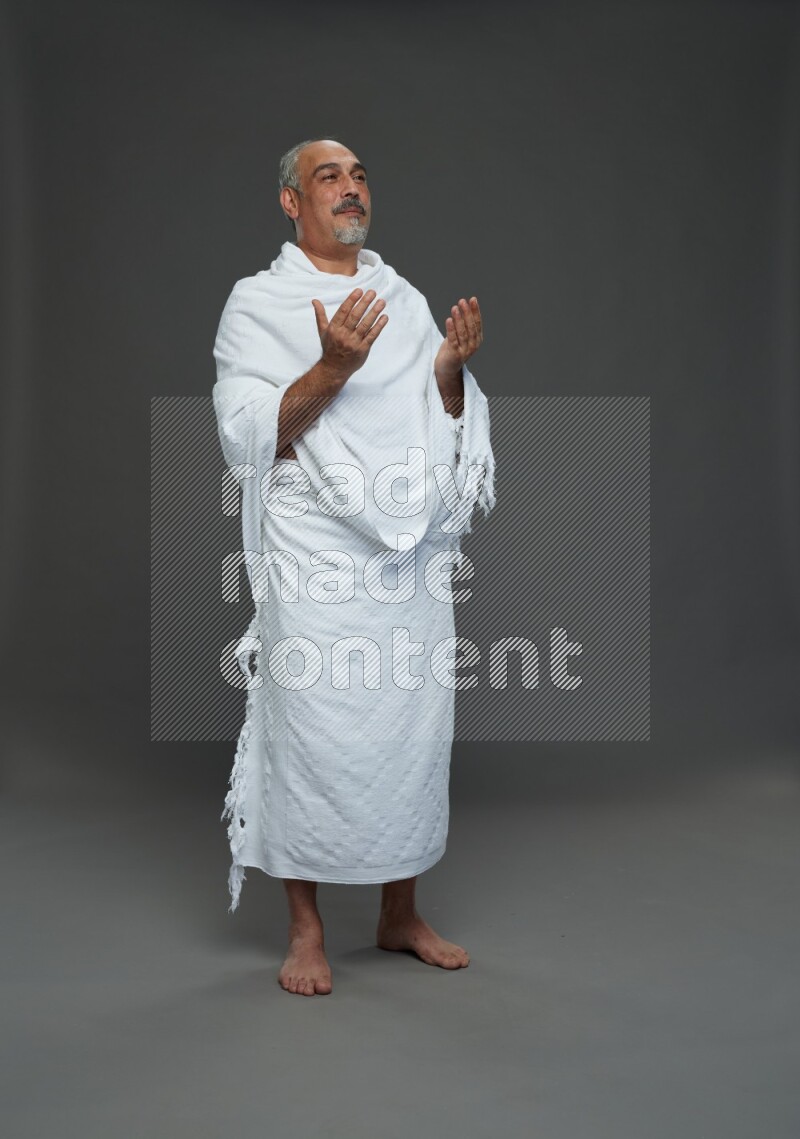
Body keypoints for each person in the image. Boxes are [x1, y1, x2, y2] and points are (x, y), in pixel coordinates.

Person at [212, 138, 496, 996]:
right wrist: (333, 366)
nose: (351, 188)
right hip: (315, 551)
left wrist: (448, 372)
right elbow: (248, 433)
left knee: (409, 726)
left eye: (360, 174)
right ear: (292, 203)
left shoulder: (401, 300)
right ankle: (306, 925)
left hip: (407, 552)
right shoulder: (256, 304)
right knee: (310, 724)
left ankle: (398, 910)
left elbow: (440, 420)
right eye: (329, 177)